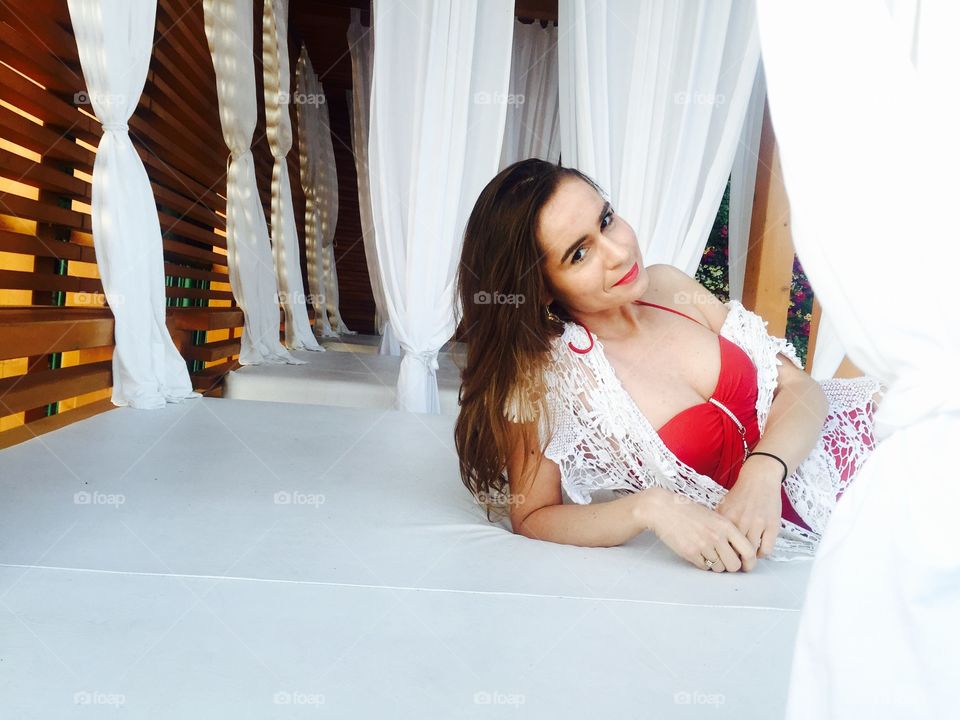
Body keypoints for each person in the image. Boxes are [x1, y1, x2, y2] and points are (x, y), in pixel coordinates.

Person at [453, 159, 884, 572]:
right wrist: (651, 507)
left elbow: (800, 388)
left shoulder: (669, 285)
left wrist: (762, 472)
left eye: (606, 220)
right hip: (825, 537)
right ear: (542, 289)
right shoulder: (548, 381)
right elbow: (532, 516)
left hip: (875, 445)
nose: (619, 252)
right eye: (579, 254)